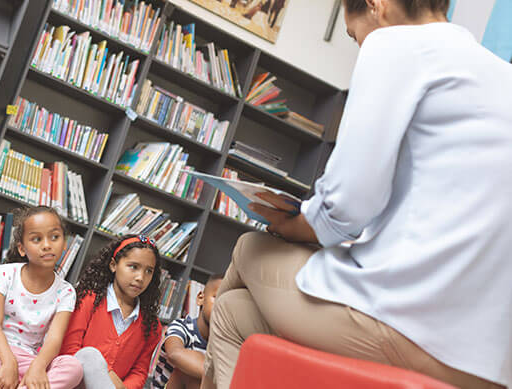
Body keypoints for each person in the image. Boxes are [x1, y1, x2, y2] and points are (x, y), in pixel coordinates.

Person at [201, 0, 512, 388]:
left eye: (354, 36)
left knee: (250, 248)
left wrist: (292, 223)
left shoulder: (394, 45)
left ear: (375, 5)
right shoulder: (500, 76)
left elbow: (345, 209)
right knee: (232, 311)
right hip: (490, 364)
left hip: (405, 326)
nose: (362, 48)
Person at [0, 206, 82, 389]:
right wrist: (8, 362)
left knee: (74, 367)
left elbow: (54, 340)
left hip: (30, 362)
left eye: (54, 237)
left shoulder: (66, 291)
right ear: (22, 248)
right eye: (37, 239)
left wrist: (38, 368)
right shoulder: (4, 273)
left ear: (64, 243)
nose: (47, 245)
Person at [60, 234, 164, 389]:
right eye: (133, 267)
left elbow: (139, 372)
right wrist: (106, 374)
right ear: (113, 265)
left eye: (149, 271)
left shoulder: (152, 326)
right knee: (89, 355)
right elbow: (69, 351)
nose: (140, 277)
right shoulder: (87, 300)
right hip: (74, 383)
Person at [151, 274, 223, 389]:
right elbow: (175, 353)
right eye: (217, 297)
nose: (222, 306)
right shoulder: (181, 326)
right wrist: (222, 376)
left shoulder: (225, 343)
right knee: (189, 373)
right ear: (200, 298)